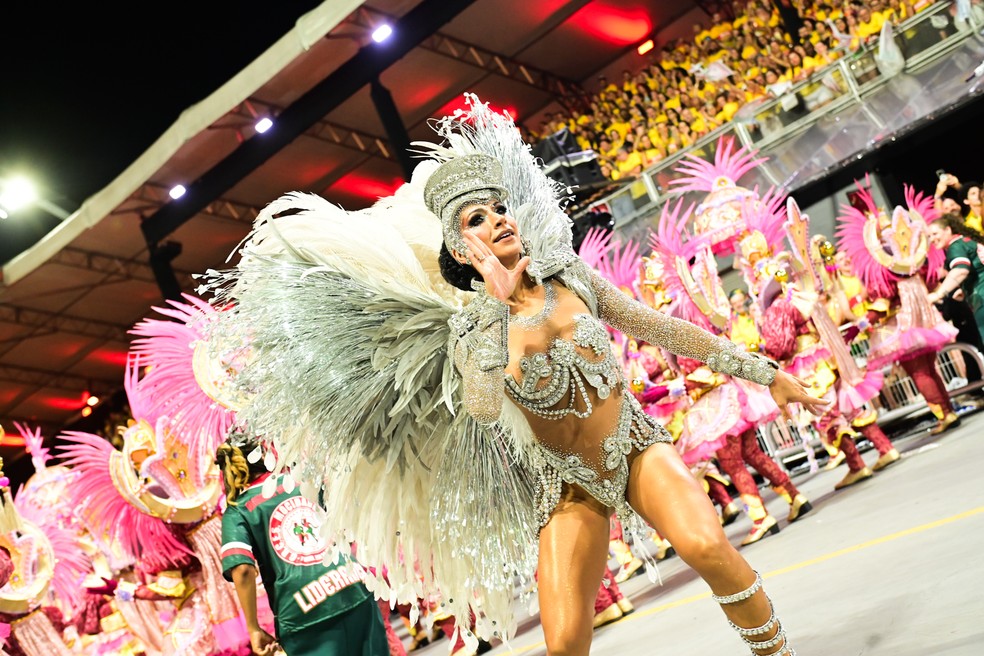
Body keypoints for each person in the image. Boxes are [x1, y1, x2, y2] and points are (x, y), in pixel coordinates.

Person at [203, 95, 827, 656]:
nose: (499, 219)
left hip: (634, 448)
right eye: (477, 218)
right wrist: (499, 313)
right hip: (563, 486)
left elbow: (659, 327)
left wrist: (760, 370)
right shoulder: (471, 330)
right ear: (459, 248)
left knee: (708, 548)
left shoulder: (570, 278)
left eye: (500, 208)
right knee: (564, 643)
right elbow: (478, 408)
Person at [216, 434, 389, 656]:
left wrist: (253, 628)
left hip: (302, 611)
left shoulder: (239, 510)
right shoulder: (301, 480)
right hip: (352, 586)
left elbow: (242, 569)